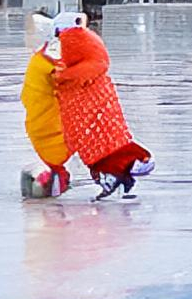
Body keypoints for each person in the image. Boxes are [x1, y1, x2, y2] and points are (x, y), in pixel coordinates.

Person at [53, 19, 154, 198]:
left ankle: (123, 167)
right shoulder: (88, 40)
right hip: (97, 98)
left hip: (84, 99)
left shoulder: (71, 41)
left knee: (96, 145)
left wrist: (61, 77)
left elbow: (75, 68)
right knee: (106, 140)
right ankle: (121, 172)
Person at [19, 11, 82, 199]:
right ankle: (52, 179)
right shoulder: (53, 58)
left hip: (41, 123)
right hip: (49, 125)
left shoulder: (45, 55)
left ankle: (54, 178)